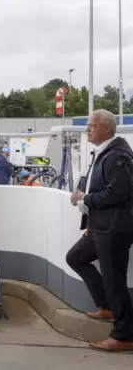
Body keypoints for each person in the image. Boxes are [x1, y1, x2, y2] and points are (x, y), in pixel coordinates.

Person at [67, 109, 133, 352]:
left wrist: (86, 198)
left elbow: (118, 193)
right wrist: (86, 203)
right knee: (75, 257)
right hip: (98, 228)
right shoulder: (104, 153)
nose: (88, 129)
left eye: (92, 126)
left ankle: (125, 335)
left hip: (113, 230)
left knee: (115, 281)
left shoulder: (118, 157)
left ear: (106, 128)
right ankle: (106, 306)